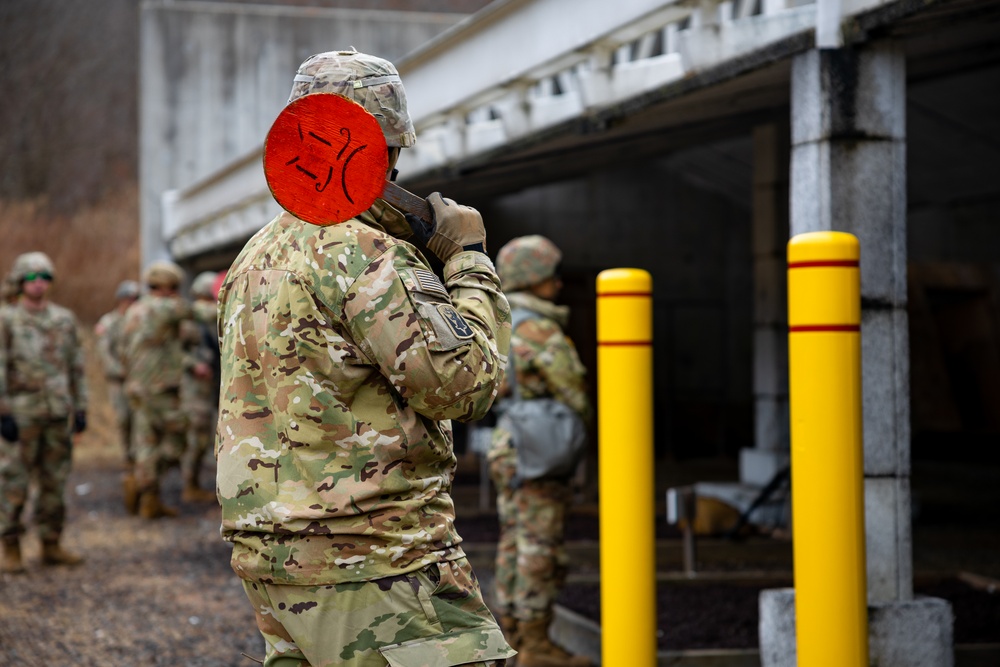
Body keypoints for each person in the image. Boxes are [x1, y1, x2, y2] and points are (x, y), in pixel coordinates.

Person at [216, 48, 514, 667]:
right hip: (374, 562)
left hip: (276, 555)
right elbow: (468, 385)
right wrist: (468, 260)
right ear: (382, 148)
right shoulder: (363, 253)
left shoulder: (256, 253)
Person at [486, 235, 592, 667]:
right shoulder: (539, 327)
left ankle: (513, 633)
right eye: (551, 275)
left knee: (514, 539)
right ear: (536, 277)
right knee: (540, 546)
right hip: (539, 447)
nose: (558, 284)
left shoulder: (498, 320)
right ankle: (536, 644)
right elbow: (572, 391)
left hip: (508, 441)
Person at [0, 251, 88, 573]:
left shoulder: (63, 319)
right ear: (21, 282)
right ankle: (10, 545)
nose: (39, 284)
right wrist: (3, 411)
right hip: (21, 414)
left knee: (55, 482)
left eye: (45, 278)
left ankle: (51, 543)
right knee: (14, 481)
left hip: (56, 412)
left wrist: (81, 408)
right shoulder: (7, 319)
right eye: (32, 278)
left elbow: (76, 365)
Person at [122, 260, 207, 519]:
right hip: (160, 387)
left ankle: (150, 501)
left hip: (138, 385)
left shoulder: (134, 310)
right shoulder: (165, 307)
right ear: (169, 286)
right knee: (178, 438)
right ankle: (141, 482)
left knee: (147, 441)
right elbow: (203, 313)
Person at [179, 270, 220, 503]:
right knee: (196, 437)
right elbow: (176, 352)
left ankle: (194, 484)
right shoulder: (192, 318)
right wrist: (194, 364)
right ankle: (189, 485)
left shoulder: (206, 317)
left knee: (205, 437)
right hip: (196, 388)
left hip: (212, 385)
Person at [95, 280, 141, 468]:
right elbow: (104, 352)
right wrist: (119, 371)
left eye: (135, 298)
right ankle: (127, 455)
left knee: (140, 418)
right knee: (123, 418)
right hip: (119, 380)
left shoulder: (140, 320)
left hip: (138, 379)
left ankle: (138, 455)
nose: (132, 302)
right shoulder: (109, 322)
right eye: (129, 298)